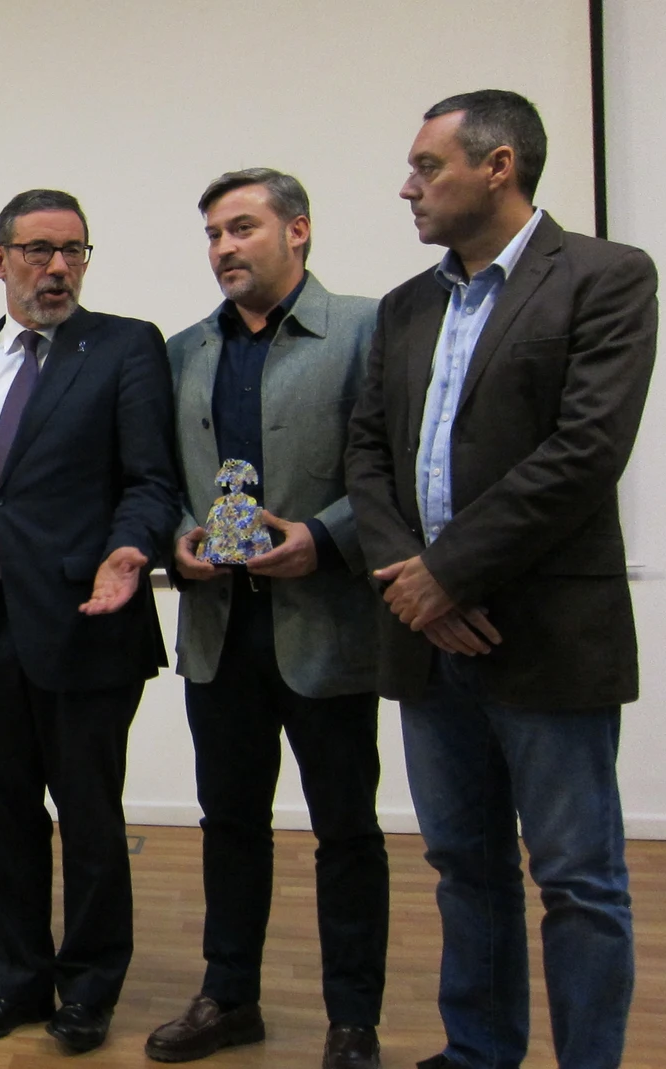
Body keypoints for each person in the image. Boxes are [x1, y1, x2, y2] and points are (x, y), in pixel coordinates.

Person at [344, 90, 657, 1069]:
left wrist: (445, 574)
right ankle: (478, 1050)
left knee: (576, 878)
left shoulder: (605, 277)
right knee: (461, 865)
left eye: (426, 166)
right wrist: (415, 584)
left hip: (545, 633)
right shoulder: (404, 306)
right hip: (426, 636)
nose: (408, 186)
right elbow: (365, 458)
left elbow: (582, 453)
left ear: (498, 164)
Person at [0, 189, 177, 1051]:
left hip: (84, 618)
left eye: (74, 250)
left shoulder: (123, 347)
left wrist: (132, 551)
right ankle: (16, 982)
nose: (58, 267)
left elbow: (152, 478)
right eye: (38, 250)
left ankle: (90, 987)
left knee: (91, 820)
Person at [151, 170, 386, 1068]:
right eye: (212, 233)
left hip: (324, 623)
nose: (223, 248)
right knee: (230, 822)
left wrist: (324, 539)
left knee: (347, 832)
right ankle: (228, 996)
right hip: (220, 628)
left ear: (300, 231)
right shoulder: (184, 351)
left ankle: (353, 1019)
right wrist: (179, 537)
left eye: (242, 228)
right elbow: (167, 478)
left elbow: (393, 471)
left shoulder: (366, 328)